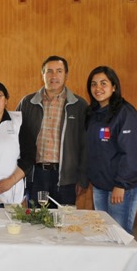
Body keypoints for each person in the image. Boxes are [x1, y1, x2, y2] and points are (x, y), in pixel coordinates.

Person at [16, 55, 89, 207]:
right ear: (42, 75)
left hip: (65, 177)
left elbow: (85, 145)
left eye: (59, 71)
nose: (54, 76)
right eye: (49, 71)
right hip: (35, 174)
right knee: (35, 221)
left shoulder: (79, 105)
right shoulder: (27, 103)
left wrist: (82, 178)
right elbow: (15, 139)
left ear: (66, 75)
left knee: (63, 223)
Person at [85, 66, 137, 234]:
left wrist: (120, 185)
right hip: (100, 185)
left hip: (120, 187)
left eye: (103, 83)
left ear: (114, 87)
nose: (98, 88)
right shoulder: (93, 113)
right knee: (102, 233)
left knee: (119, 235)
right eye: (94, 84)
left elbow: (131, 153)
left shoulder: (125, 113)